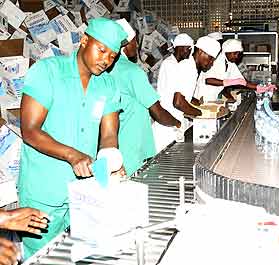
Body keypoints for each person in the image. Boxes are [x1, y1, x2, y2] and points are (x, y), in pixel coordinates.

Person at [18, 17, 127, 258]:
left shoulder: (107, 85)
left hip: (84, 193)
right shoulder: (48, 72)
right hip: (44, 190)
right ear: (85, 41)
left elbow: (109, 134)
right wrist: (72, 154)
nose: (106, 60)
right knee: (43, 256)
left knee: (83, 253)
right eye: (102, 50)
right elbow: (30, 131)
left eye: (112, 56)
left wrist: (111, 161)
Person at [109, 19, 181, 176]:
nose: (137, 45)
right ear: (125, 43)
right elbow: (157, 112)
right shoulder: (132, 72)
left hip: (111, 148)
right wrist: (178, 123)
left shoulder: (106, 68)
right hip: (133, 149)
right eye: (135, 41)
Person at [153, 36, 221, 152]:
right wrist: (200, 114)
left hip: (172, 124)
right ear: (200, 52)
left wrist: (196, 104)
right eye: (210, 58)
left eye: (213, 60)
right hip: (168, 127)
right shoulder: (188, 68)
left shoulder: (189, 66)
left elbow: (182, 95)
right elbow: (178, 102)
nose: (211, 63)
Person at [195, 39, 277, 102]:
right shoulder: (216, 61)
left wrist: (260, 88)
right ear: (227, 52)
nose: (237, 56)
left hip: (213, 96)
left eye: (238, 54)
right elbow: (208, 80)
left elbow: (243, 82)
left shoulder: (230, 64)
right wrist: (230, 82)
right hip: (202, 96)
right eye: (235, 53)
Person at [153, 33, 194, 152]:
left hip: (175, 118)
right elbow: (177, 101)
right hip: (168, 120)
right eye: (188, 49)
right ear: (180, 48)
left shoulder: (178, 64)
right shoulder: (169, 64)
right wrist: (198, 113)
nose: (190, 52)